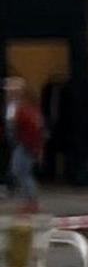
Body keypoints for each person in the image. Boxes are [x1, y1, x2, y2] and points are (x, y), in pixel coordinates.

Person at [5, 74, 45, 212]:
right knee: (19, 172)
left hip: (25, 144)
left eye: (12, 89)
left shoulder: (25, 107)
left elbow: (34, 127)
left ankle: (31, 202)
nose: (9, 91)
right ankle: (29, 201)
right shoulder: (13, 105)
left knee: (22, 172)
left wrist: (35, 146)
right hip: (20, 142)